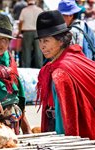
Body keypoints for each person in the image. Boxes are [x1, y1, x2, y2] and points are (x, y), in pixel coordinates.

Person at [36, 10, 95, 139]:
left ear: (61, 41)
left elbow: (66, 119)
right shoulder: (74, 58)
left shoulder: (60, 73)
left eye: (46, 41)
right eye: (40, 41)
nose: (42, 47)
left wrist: (62, 140)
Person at [18, 0, 43, 68]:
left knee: (26, 52)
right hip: (37, 32)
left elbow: (20, 22)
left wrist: (19, 32)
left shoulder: (24, 10)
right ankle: (39, 68)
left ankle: (26, 69)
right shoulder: (39, 10)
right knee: (39, 52)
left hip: (27, 32)